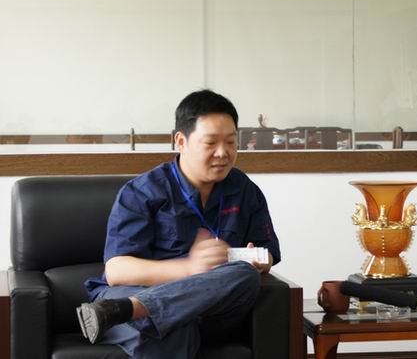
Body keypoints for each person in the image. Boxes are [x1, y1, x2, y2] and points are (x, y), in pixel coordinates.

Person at [77, 89, 281, 358]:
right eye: (211, 143)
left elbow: (268, 252)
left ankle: (137, 308)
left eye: (231, 142)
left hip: (206, 307)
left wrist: (261, 260)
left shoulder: (244, 190)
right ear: (181, 141)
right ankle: (140, 309)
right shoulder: (142, 192)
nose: (223, 153)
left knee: (245, 274)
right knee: (175, 328)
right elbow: (117, 271)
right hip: (131, 293)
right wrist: (190, 268)